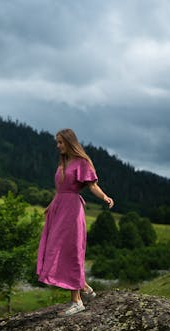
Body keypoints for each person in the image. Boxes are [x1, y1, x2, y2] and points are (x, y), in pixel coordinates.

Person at [36, 128, 114, 316]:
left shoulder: (82, 162)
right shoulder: (63, 163)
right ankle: (85, 287)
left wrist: (105, 197)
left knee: (71, 251)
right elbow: (60, 190)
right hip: (59, 210)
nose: (58, 146)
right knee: (54, 249)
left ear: (70, 142)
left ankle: (77, 301)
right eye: (57, 142)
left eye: (61, 142)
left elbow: (92, 185)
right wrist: (51, 205)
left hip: (72, 211)